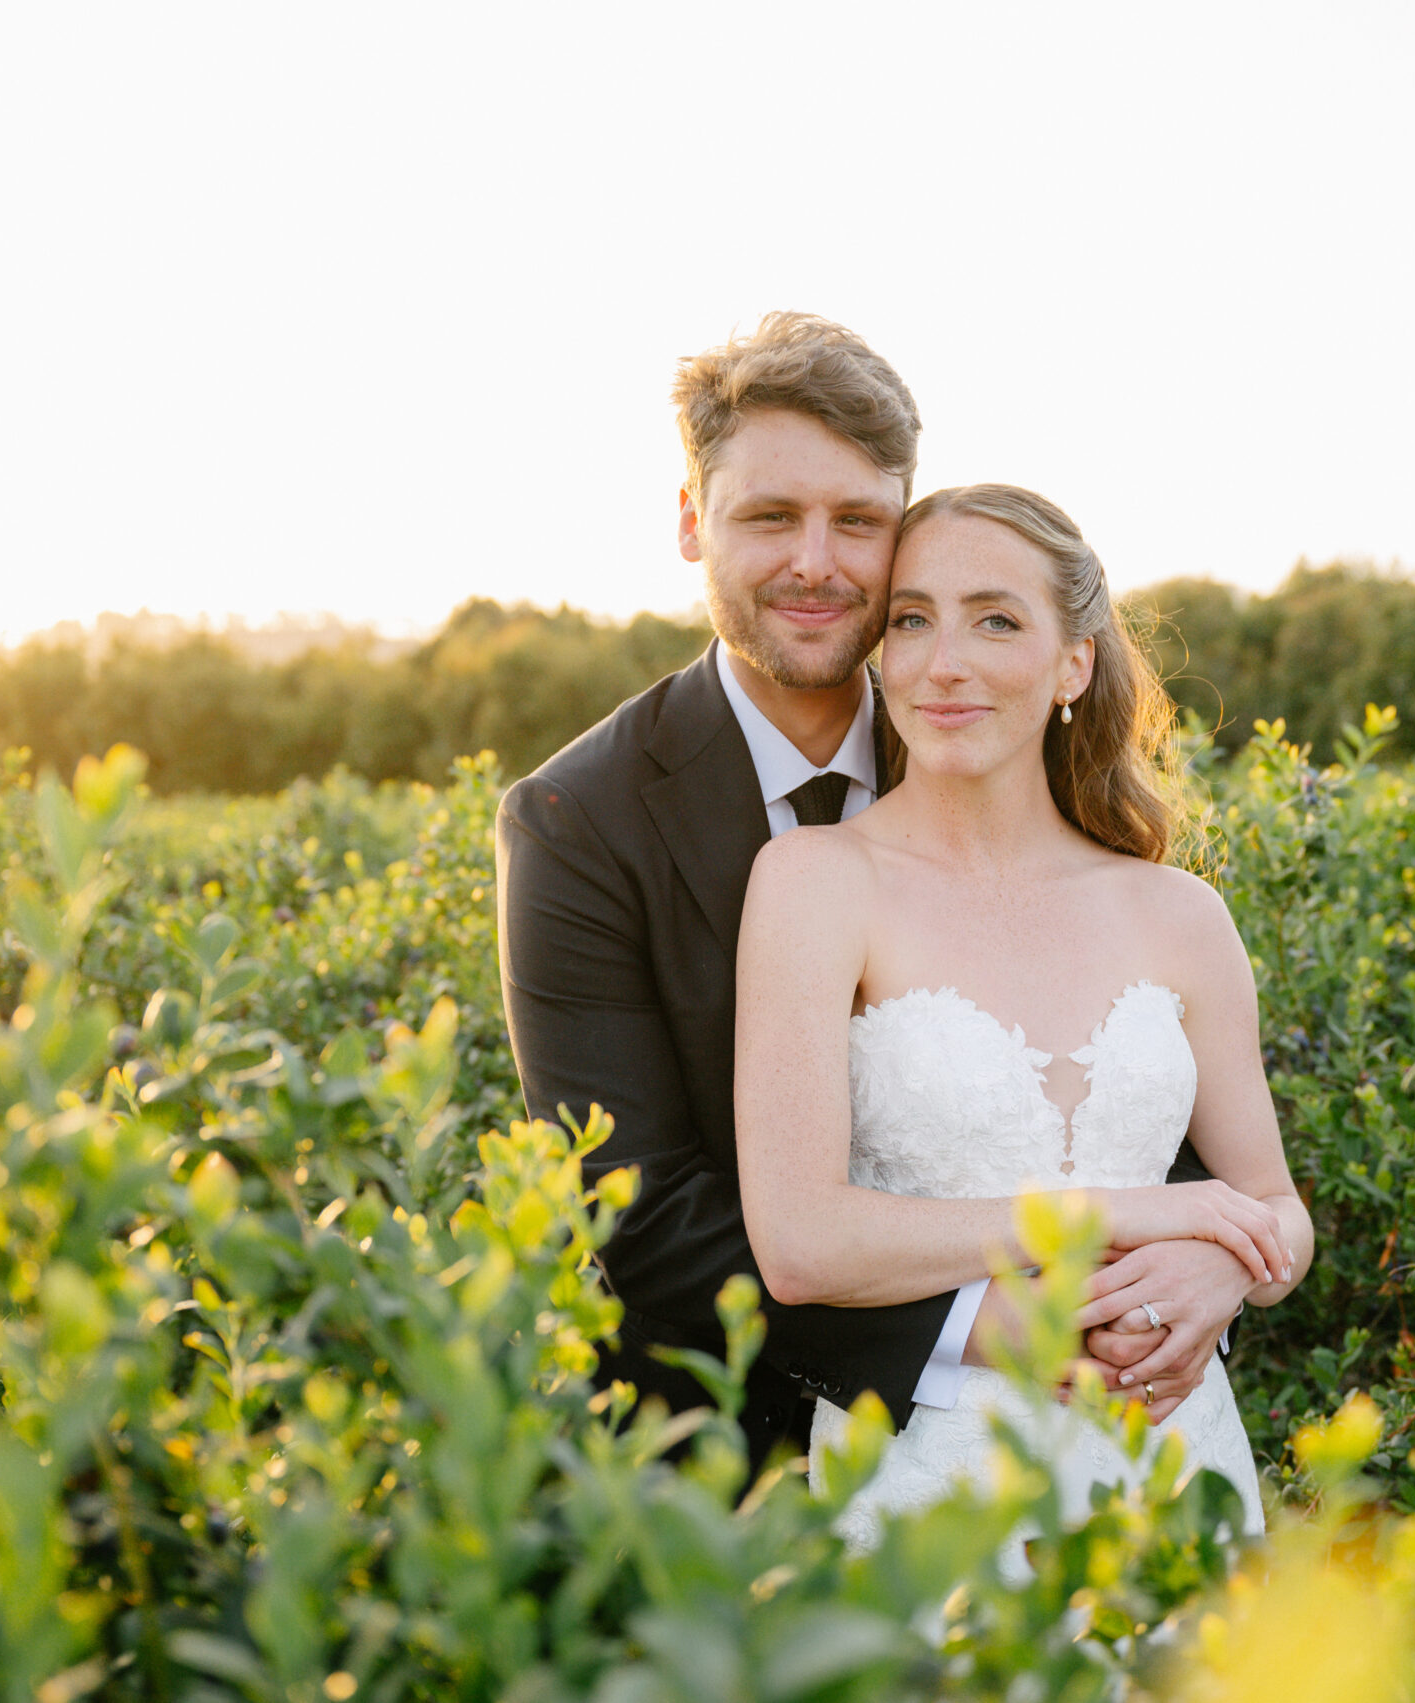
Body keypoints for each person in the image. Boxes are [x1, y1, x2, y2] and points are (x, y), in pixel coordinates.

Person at [498, 313, 1262, 1469]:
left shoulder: (979, 730)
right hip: (723, 1457)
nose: (816, 562)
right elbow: (641, 1214)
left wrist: (1208, 1260)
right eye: (769, 516)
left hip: (1130, 1413)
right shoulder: (577, 819)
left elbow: (1140, 1070)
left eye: (857, 520)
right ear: (692, 522)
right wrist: (994, 1332)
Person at [732, 482, 1312, 1535]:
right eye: (913, 619)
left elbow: (1277, 1206)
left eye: (995, 619)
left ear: (1073, 663)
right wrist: (1125, 1211)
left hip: (1177, 1466)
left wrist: (1226, 1269)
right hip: (929, 1487)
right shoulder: (814, 882)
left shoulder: (1179, 912)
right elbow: (801, 1242)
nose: (943, 661)